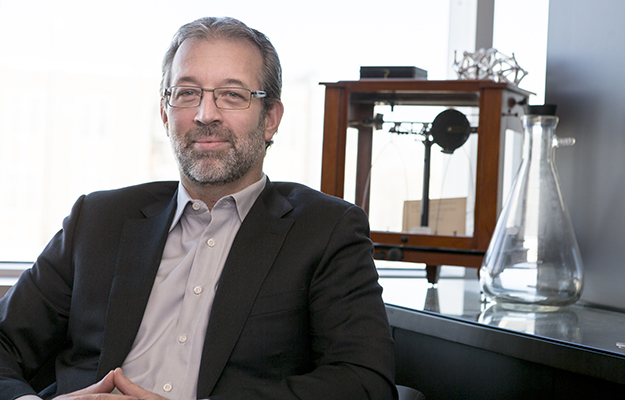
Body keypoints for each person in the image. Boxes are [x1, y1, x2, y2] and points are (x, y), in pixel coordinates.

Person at [0, 17, 397, 400]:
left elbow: (363, 381)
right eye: (187, 93)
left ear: (270, 118)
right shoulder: (97, 219)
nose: (206, 115)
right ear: (164, 113)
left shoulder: (326, 230)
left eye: (232, 94)